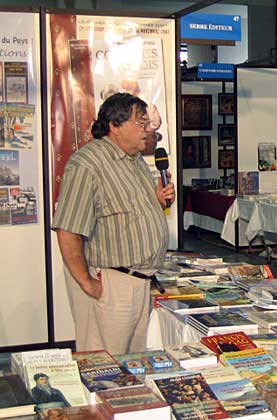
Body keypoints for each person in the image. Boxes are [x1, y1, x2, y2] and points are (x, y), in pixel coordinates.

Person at [52, 93, 175, 355]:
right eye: (140, 123)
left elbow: (129, 213)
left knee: (131, 366)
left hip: (140, 282)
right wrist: (87, 282)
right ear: (115, 126)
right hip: (111, 282)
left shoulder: (134, 160)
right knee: (105, 368)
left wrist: (158, 200)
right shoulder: (88, 164)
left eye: (147, 123)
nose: (147, 130)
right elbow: (68, 229)